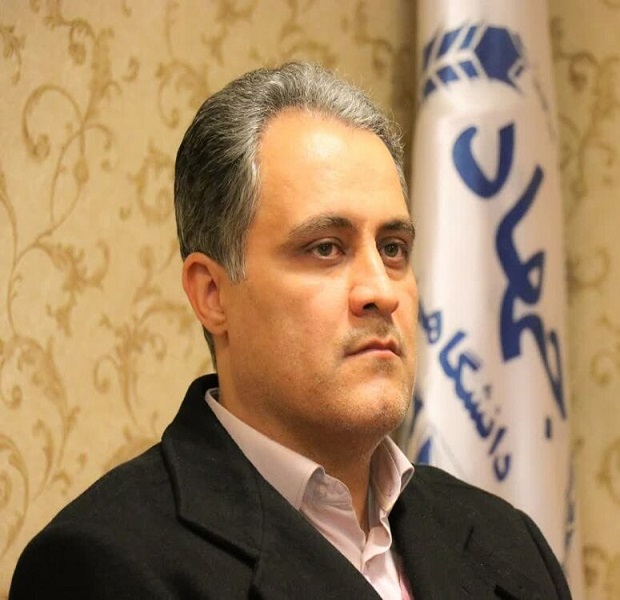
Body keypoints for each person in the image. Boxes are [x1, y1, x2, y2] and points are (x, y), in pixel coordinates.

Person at [10, 62, 572, 600]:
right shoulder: (103, 566)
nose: (381, 291)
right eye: (326, 248)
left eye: (393, 248)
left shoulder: (509, 544)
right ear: (212, 294)